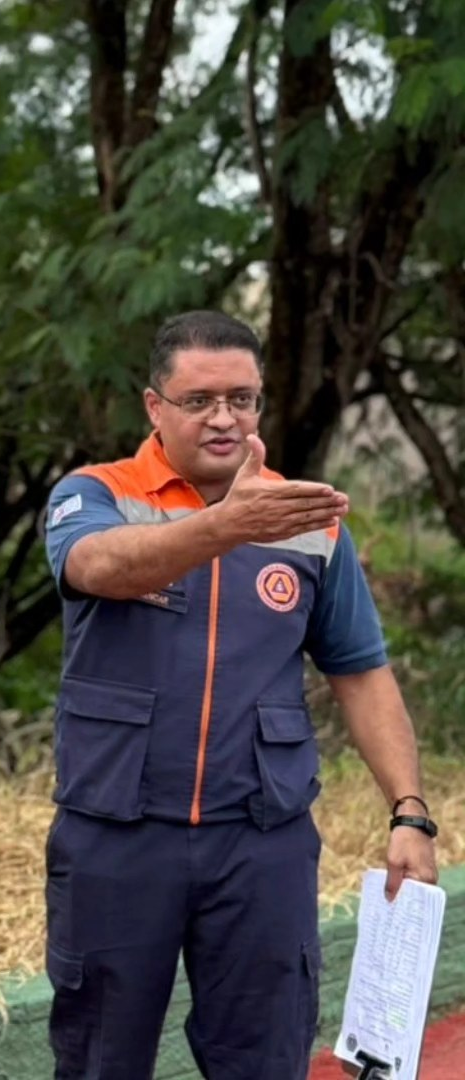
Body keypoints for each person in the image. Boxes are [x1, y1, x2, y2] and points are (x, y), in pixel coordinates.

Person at [41, 310, 439, 1079]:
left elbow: (360, 671)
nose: (223, 418)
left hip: (262, 842)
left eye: (242, 399)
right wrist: (226, 525)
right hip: (116, 839)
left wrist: (409, 811)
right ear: (155, 406)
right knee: (99, 1057)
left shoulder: (306, 519)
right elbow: (99, 567)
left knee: (265, 1057)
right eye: (199, 401)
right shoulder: (97, 494)